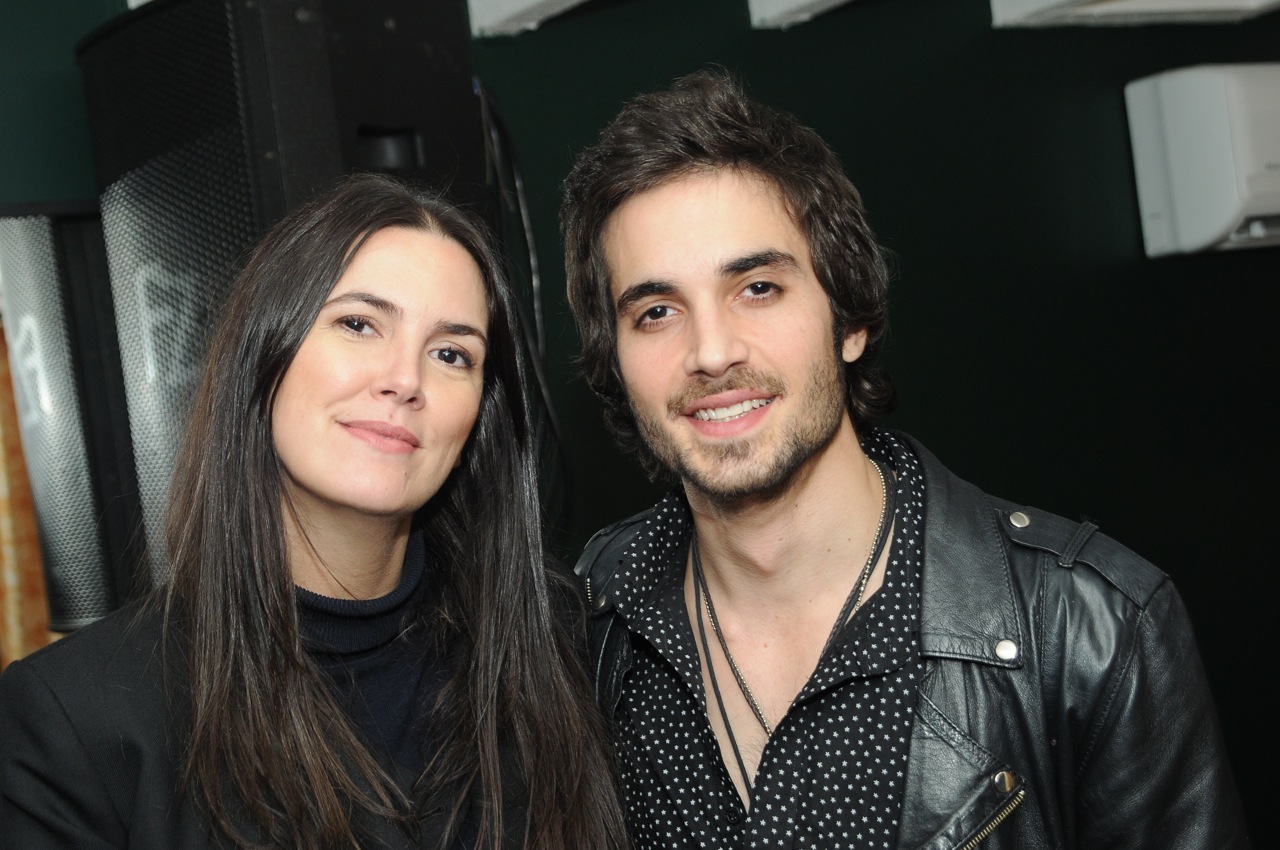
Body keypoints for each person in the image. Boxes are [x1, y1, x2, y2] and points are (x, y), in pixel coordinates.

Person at [560, 70, 1249, 850]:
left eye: (758, 287)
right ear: (615, 361)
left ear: (848, 318)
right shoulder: (584, 623)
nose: (711, 352)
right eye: (656, 312)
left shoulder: (1089, 632)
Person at [0, 173, 628, 849]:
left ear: (480, 415)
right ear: (264, 354)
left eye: (451, 354)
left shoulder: (556, 632)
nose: (404, 380)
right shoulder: (77, 715)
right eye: (358, 324)